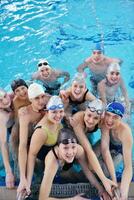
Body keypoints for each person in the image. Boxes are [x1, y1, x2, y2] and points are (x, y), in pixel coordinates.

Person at [29, 128, 111, 200]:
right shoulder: (52, 162)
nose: (70, 152)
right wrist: (72, 199)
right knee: (37, 182)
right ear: (58, 146)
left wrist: (101, 190)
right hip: (41, 163)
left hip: (63, 165)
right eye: (65, 148)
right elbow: (42, 198)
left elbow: (87, 171)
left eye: (73, 147)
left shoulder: (78, 150)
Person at [69, 99, 117, 196]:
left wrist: (114, 180)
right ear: (85, 111)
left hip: (86, 134)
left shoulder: (103, 122)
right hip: (73, 139)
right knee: (87, 164)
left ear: (100, 118)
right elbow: (88, 150)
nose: (91, 120)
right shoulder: (78, 119)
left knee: (108, 144)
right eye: (89, 115)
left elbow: (105, 150)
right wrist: (104, 180)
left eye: (95, 118)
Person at [17, 83, 50, 195]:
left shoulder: (48, 102)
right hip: (31, 141)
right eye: (37, 98)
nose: (41, 101)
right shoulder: (25, 114)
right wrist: (23, 177)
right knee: (35, 166)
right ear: (30, 99)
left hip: (45, 138)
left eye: (42, 96)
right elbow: (22, 146)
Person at [101, 101, 133, 200]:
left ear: (121, 118)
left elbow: (127, 167)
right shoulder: (104, 122)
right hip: (109, 143)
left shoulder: (125, 132)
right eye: (108, 115)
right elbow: (105, 150)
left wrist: (123, 195)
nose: (110, 120)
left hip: (119, 150)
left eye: (115, 117)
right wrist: (114, 179)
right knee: (90, 165)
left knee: (106, 173)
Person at [10, 79, 31, 159]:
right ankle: (15, 157)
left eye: (23, 88)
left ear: (27, 87)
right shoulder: (15, 101)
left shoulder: (33, 94)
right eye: (17, 91)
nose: (21, 92)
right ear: (14, 93)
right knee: (14, 133)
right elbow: (16, 119)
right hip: (24, 120)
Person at [0, 89, 15, 188]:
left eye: (5, 96)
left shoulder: (13, 96)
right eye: (0, 100)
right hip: (5, 130)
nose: (5, 101)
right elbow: (3, 143)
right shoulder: (2, 116)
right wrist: (8, 172)